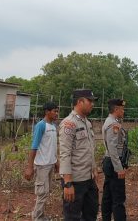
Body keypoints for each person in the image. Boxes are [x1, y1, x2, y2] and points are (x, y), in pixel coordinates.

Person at [59, 89, 99, 221]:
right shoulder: (69, 123)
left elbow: (88, 149)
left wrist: (94, 168)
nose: (92, 104)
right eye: (90, 101)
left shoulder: (86, 122)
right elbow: (65, 154)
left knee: (91, 214)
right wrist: (68, 183)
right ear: (79, 102)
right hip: (75, 181)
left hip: (88, 178)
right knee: (72, 217)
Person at [24, 102, 59, 221]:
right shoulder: (41, 125)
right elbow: (34, 147)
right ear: (47, 112)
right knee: (42, 193)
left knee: (47, 191)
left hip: (50, 163)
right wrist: (29, 167)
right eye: (55, 111)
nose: (57, 114)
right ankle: (37, 217)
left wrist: (56, 161)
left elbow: (53, 147)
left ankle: (41, 215)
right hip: (42, 165)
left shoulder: (54, 126)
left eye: (57, 111)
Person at [101, 99, 127, 221]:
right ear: (116, 109)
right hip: (113, 162)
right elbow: (113, 148)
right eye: (122, 109)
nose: (123, 111)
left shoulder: (111, 121)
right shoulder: (113, 124)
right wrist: (119, 168)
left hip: (109, 161)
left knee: (108, 195)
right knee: (118, 198)